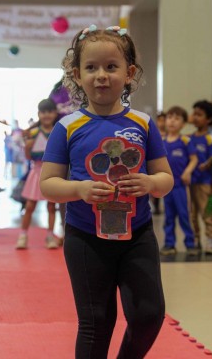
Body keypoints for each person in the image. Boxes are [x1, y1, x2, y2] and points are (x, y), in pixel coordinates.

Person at [40, 25, 173, 358]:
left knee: (148, 315)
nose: (101, 76)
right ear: (77, 74)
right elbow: (48, 185)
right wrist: (80, 189)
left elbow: (166, 178)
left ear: (128, 74)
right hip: (85, 238)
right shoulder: (66, 126)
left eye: (111, 67)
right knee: (97, 321)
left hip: (137, 235)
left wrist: (150, 183)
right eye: (92, 68)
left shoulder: (143, 123)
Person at [16, 99, 59, 250]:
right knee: (29, 206)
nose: (47, 115)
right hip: (36, 172)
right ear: (39, 114)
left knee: (51, 206)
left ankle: (50, 236)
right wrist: (27, 148)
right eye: (43, 112)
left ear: (55, 113)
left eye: (50, 111)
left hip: (53, 172)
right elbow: (27, 157)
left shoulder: (58, 132)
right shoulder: (33, 133)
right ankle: (23, 235)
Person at [160, 106, 198, 256]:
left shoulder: (185, 141)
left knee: (183, 214)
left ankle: (190, 244)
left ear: (183, 123)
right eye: (170, 117)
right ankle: (169, 244)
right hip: (166, 187)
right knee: (168, 216)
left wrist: (187, 172)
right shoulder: (161, 141)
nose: (172, 121)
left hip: (180, 186)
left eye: (177, 118)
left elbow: (194, 160)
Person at [190, 100, 212, 254]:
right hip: (190, 183)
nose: (195, 117)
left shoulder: (211, 140)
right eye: (194, 114)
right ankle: (195, 240)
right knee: (192, 214)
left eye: (199, 115)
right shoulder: (188, 138)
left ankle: (211, 240)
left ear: (209, 119)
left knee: (206, 213)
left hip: (205, 183)